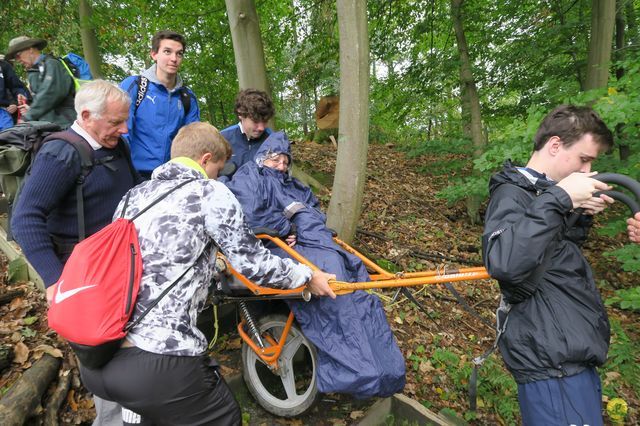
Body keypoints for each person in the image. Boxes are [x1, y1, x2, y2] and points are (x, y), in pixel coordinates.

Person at [78, 122, 335, 425]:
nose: (219, 176)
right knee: (226, 418)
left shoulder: (132, 196)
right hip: (157, 360)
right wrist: (307, 275)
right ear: (205, 159)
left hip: (100, 356)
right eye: (218, 168)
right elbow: (254, 265)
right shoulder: (209, 192)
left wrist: (212, 266)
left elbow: (153, 257)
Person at [225, 131, 406, 399]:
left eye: (286, 162)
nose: (282, 166)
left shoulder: (294, 185)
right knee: (334, 282)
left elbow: (312, 214)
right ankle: (359, 372)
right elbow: (249, 215)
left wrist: (314, 231)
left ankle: (384, 369)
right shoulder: (251, 176)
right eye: (276, 160)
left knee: (355, 278)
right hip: (278, 246)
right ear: (264, 158)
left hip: (313, 242)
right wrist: (283, 227)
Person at [10, 80, 139, 426]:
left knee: (130, 348)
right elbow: (25, 219)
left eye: (124, 120)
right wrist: (55, 281)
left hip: (120, 265)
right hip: (82, 275)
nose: (124, 129)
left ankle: (135, 413)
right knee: (101, 355)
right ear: (86, 116)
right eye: (115, 122)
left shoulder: (117, 145)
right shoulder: (61, 154)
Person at [482, 105, 614, 425]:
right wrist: (561, 198)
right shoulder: (513, 194)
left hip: (570, 363)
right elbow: (504, 262)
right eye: (584, 159)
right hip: (553, 367)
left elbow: (550, 260)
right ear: (555, 145)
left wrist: (578, 213)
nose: (587, 170)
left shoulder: (542, 195)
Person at [120, 30, 200, 179]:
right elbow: (122, 132)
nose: (174, 58)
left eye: (179, 53)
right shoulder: (134, 86)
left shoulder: (187, 97)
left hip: (172, 177)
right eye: (167, 52)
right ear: (154, 54)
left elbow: (192, 142)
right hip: (134, 174)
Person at [5, 36, 75, 128]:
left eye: (18, 55)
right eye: (15, 58)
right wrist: (28, 102)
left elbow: (50, 94)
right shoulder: (33, 71)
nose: (18, 60)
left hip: (65, 124)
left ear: (30, 49)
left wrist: (27, 117)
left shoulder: (52, 64)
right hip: (48, 126)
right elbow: (41, 98)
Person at [220, 89, 274, 175]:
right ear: (240, 114)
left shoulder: (273, 140)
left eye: (265, 121)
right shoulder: (222, 139)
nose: (261, 128)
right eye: (255, 121)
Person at [0, 56, 30, 130]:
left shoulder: (3, 65)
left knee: (7, 136)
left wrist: (16, 102)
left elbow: (16, 87)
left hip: (3, 112)